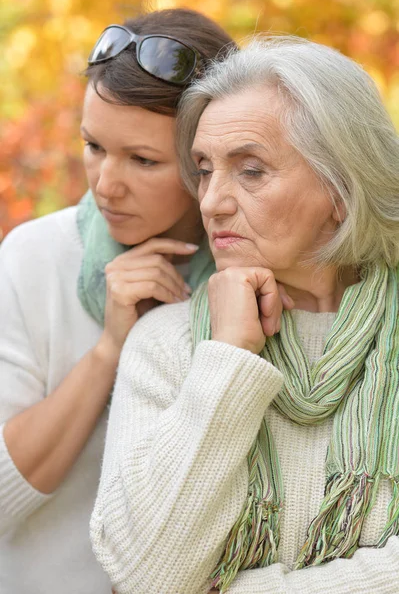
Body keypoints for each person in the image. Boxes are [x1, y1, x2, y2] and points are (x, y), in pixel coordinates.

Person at [90, 36, 399, 594]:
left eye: (250, 171)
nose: (210, 201)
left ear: (342, 189)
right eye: (205, 169)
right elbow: (141, 574)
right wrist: (228, 360)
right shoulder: (167, 345)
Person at [0, 9, 234, 594]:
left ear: (203, 164)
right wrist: (109, 348)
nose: (105, 182)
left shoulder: (256, 283)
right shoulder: (35, 256)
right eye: (93, 146)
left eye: (143, 160)